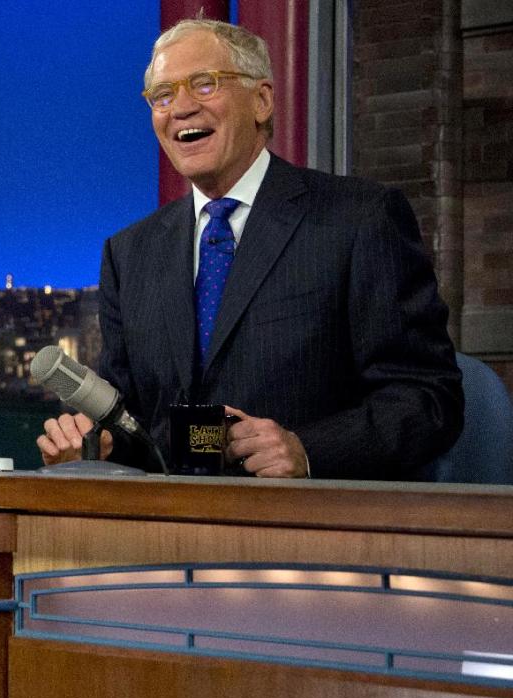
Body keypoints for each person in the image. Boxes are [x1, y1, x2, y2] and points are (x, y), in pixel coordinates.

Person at [37, 19, 463, 479]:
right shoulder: (129, 254)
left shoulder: (359, 219)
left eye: (204, 84)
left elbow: (427, 399)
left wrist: (308, 451)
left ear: (262, 100)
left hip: (310, 527)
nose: (179, 108)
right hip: (168, 528)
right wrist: (94, 448)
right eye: (162, 96)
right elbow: (132, 422)